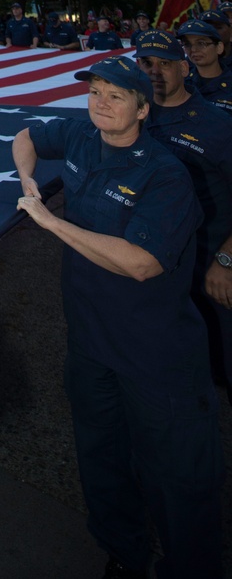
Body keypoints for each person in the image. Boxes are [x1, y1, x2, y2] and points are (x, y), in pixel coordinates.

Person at [12, 56, 224, 579]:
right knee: (101, 459)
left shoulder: (166, 175)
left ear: (143, 109)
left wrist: (49, 221)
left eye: (116, 95)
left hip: (155, 355)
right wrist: (28, 179)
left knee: (177, 476)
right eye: (96, 91)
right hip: (90, 344)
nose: (101, 103)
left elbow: (141, 263)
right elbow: (26, 136)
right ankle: (124, 555)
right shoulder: (83, 137)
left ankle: (191, 568)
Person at [139, 27, 232, 396]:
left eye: (165, 63)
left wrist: (226, 260)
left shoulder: (218, 126)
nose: (154, 72)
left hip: (209, 262)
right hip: (158, 267)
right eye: (146, 63)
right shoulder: (131, 116)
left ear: (184, 68)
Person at [178, 17, 232, 112]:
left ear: (219, 47)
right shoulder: (181, 85)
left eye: (201, 43)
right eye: (187, 44)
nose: (193, 49)